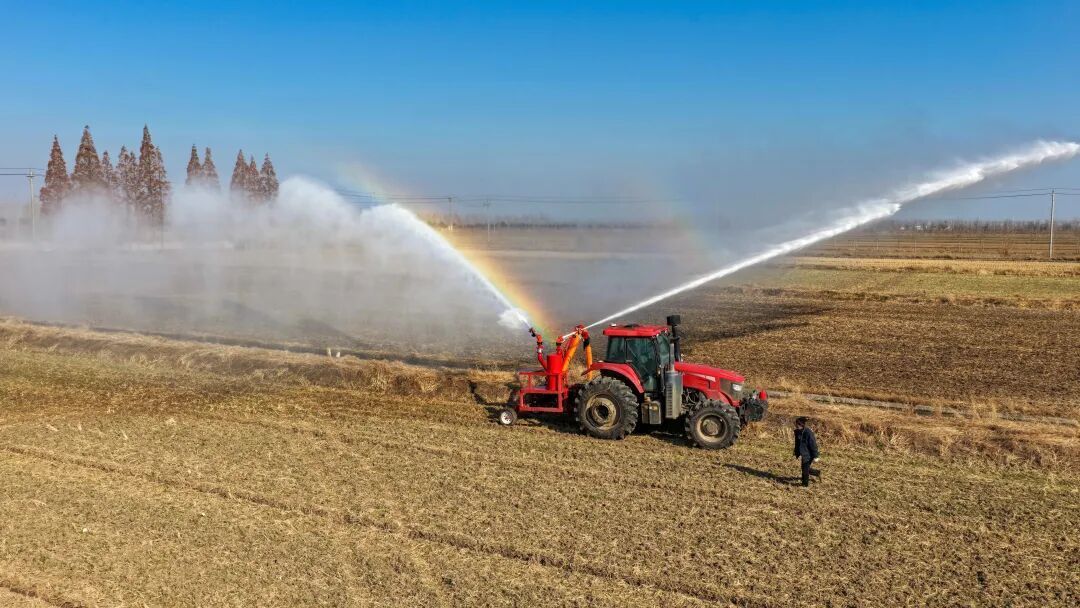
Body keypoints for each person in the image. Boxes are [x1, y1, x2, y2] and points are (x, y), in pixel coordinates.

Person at [793, 417, 821, 487]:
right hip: (804, 453)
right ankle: (817, 473)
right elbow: (797, 443)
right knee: (805, 468)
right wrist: (796, 451)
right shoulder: (798, 432)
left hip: (809, 454)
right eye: (796, 424)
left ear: (801, 424)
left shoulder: (808, 433)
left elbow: (813, 445)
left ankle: (805, 485)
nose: (796, 425)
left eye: (797, 424)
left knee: (805, 470)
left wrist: (816, 456)